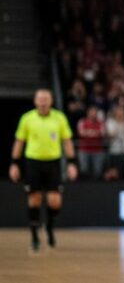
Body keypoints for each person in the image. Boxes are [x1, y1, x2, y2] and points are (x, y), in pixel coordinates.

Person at [9, 89, 79, 251]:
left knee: (55, 201)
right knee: (34, 199)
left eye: (46, 99)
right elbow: (19, 142)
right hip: (33, 162)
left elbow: (67, 142)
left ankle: (49, 227)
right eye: (40, 99)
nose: (43, 102)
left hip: (53, 162)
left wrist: (71, 163)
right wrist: (14, 163)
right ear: (35, 101)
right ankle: (34, 235)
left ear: (51, 101)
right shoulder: (27, 118)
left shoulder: (59, 118)